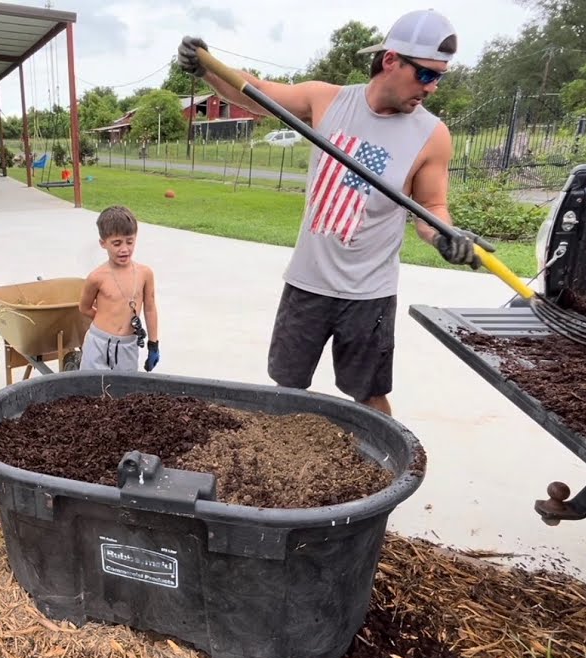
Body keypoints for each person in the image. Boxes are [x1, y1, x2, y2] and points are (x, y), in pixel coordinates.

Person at [177, 9, 493, 416]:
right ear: (392, 60)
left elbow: (431, 210)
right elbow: (251, 92)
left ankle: (384, 470)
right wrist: (205, 68)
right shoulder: (327, 100)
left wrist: (445, 237)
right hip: (307, 285)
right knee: (287, 390)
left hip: (369, 295)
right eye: (426, 75)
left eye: (440, 77)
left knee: (369, 399)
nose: (432, 88)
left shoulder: (432, 134)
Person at [78, 205, 160, 372]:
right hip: (98, 344)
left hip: (128, 346)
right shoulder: (97, 277)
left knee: (125, 394)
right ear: (103, 243)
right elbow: (84, 308)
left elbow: (150, 309)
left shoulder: (145, 273)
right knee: (92, 392)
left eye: (130, 242)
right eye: (116, 243)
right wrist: (107, 322)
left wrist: (153, 344)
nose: (124, 249)